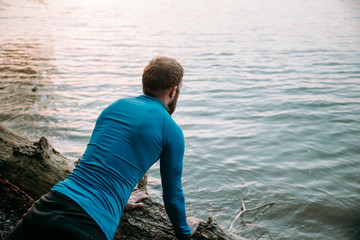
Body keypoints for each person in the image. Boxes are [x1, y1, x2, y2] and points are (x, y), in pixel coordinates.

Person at [6, 56, 202, 240]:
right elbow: (173, 194)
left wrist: (118, 197)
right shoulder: (171, 130)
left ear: (145, 84)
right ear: (173, 91)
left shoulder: (115, 107)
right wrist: (184, 231)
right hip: (89, 225)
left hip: (49, 205)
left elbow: (100, 161)